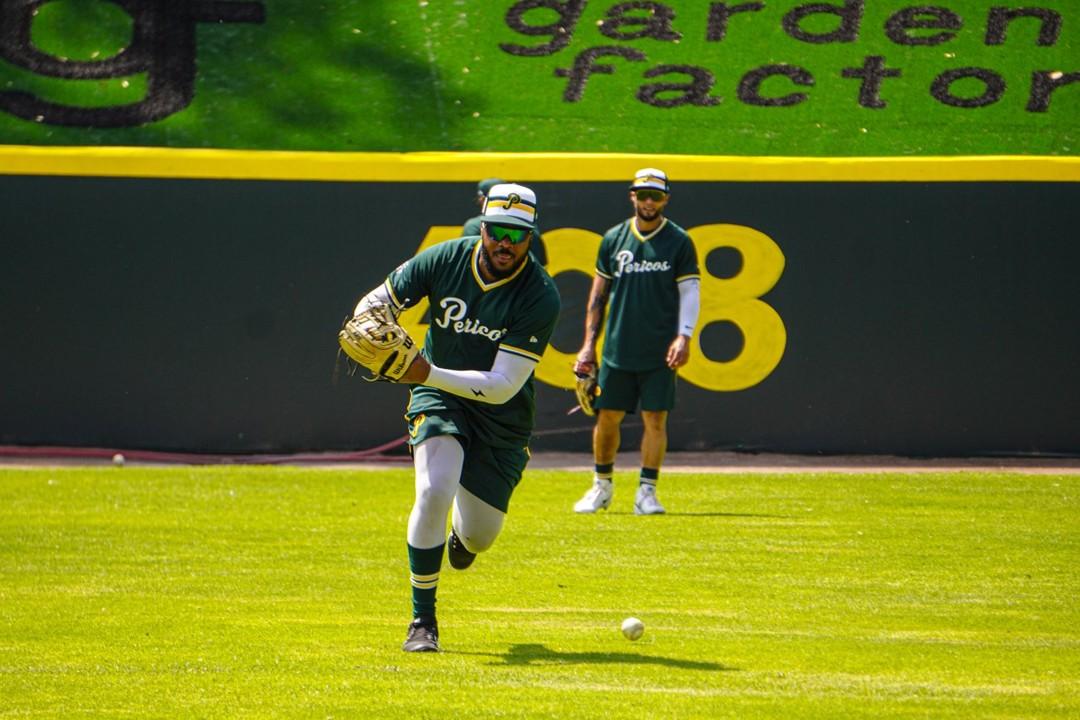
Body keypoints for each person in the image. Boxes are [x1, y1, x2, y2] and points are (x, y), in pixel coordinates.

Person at [351, 183, 560, 652]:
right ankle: (422, 622)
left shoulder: (540, 295)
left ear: (531, 236)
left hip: (502, 415)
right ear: (482, 226)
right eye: (497, 230)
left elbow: (503, 384)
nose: (505, 242)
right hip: (438, 397)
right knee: (434, 488)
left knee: (482, 535)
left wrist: (425, 369)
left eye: (518, 233)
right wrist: (372, 319)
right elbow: (374, 302)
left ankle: (463, 540)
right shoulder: (444, 257)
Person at [572, 168, 700, 516]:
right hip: (617, 348)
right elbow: (597, 297)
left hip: (660, 351)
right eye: (642, 194)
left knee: (655, 420)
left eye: (655, 195)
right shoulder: (613, 239)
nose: (648, 201)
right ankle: (602, 486)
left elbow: (690, 291)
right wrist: (588, 346)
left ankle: (647, 491)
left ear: (666, 199)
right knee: (607, 417)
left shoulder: (678, 241)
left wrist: (684, 336)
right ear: (632, 196)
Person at [463, 178, 548, 266]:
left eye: (517, 235)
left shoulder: (473, 225)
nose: (505, 244)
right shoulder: (528, 226)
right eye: (496, 233)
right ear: (482, 229)